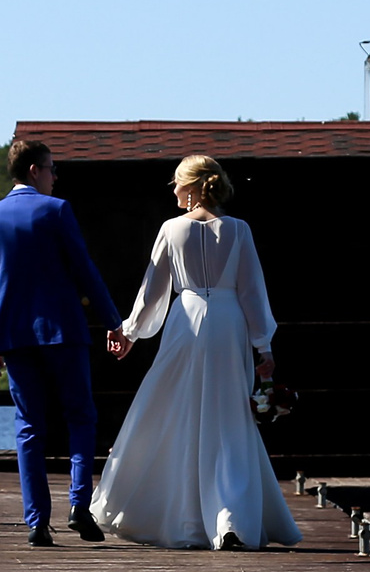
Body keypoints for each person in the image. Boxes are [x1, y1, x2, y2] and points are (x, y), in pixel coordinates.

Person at [92, 154, 302, 551]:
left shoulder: (172, 230)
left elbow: (152, 292)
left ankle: (179, 513)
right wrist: (263, 346)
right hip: (229, 325)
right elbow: (253, 293)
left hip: (185, 322)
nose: (172, 189)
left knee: (175, 411)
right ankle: (229, 522)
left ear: (190, 188)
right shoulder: (239, 231)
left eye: (176, 183)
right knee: (227, 421)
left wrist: (130, 333)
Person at [0, 138, 132, 546]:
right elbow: (84, 270)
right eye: (51, 168)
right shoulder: (56, 210)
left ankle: (37, 523)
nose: (55, 176)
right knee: (81, 418)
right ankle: (79, 503)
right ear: (33, 171)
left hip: (12, 336)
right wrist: (114, 321)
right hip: (62, 331)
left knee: (29, 427)